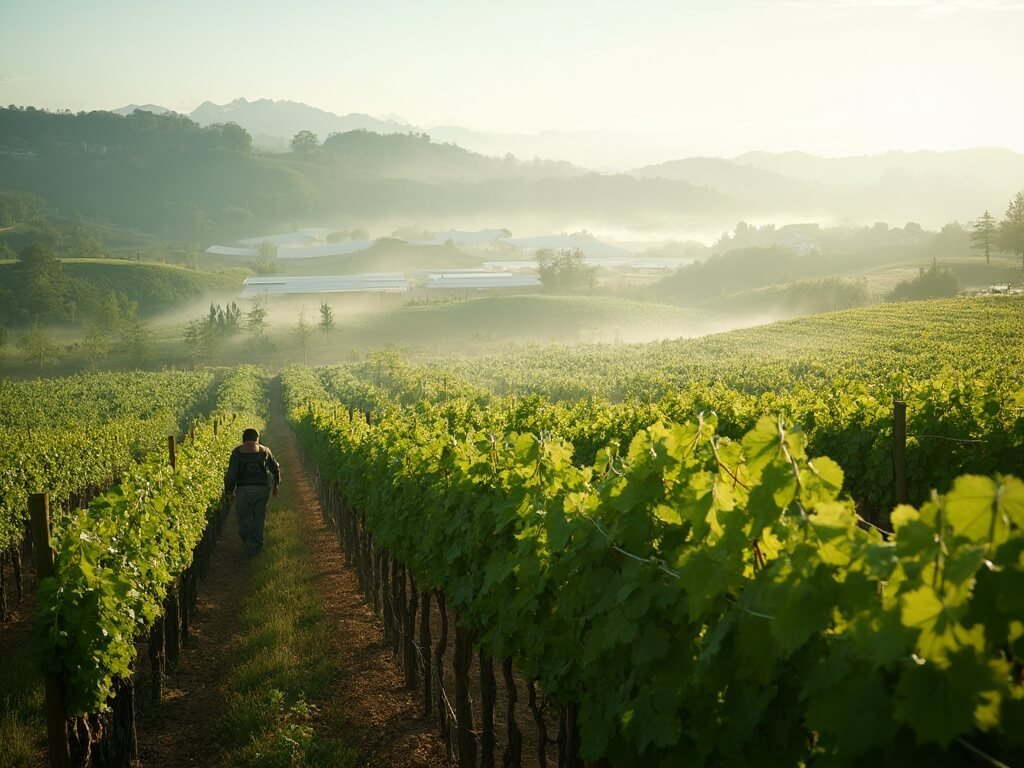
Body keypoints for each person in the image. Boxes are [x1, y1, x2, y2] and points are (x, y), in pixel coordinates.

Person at [224, 427, 281, 557]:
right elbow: (275, 468)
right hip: (262, 489)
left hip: (243, 490)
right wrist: (276, 484)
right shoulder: (265, 451)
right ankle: (256, 547)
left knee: (244, 517)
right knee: (259, 517)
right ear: (257, 439)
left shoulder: (237, 453)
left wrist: (229, 491)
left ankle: (248, 541)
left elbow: (231, 475)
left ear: (243, 440)